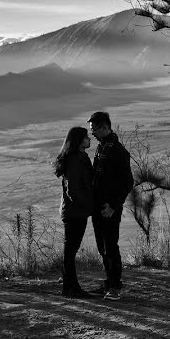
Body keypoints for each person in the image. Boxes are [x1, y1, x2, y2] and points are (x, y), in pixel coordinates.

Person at [88, 111, 134, 301]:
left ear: (105, 127)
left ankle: (115, 287)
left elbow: (127, 182)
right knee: (102, 247)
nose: (92, 133)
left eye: (94, 129)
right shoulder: (102, 148)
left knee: (110, 247)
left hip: (109, 208)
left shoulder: (118, 151)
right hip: (99, 206)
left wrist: (113, 206)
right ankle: (109, 282)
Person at [54, 126, 93, 298]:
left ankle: (70, 287)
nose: (89, 139)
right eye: (86, 137)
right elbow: (73, 191)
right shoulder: (75, 160)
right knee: (70, 251)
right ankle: (71, 288)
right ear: (78, 140)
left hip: (76, 211)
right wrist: (88, 205)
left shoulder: (80, 157)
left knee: (70, 250)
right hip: (74, 212)